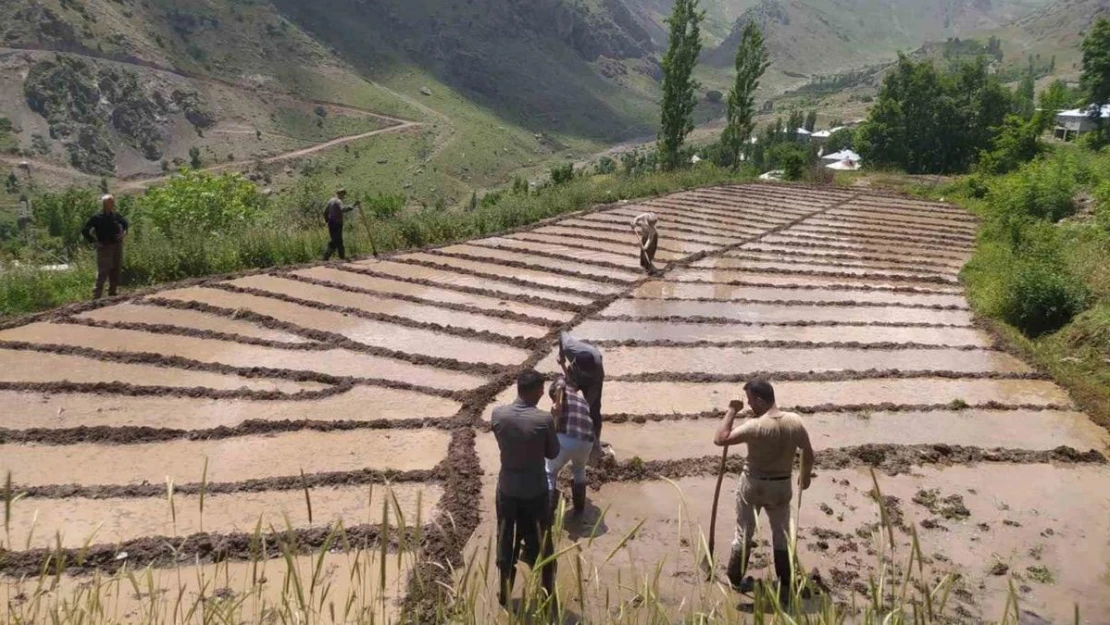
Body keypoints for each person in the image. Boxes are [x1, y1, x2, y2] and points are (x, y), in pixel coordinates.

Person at [713, 378, 814, 606]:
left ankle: (735, 579)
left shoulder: (756, 425)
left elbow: (720, 439)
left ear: (760, 400)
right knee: (782, 535)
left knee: (744, 533)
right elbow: (808, 452)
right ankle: (785, 584)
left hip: (754, 484)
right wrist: (805, 476)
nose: (748, 405)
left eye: (749, 401)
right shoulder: (795, 422)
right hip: (781, 485)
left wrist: (731, 410)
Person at [491, 369, 560, 609]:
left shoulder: (498, 414)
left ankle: (504, 593)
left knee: (505, 540)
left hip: (507, 490)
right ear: (536, 391)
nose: (543, 393)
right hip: (535, 492)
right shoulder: (544, 420)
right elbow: (553, 453)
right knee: (542, 542)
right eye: (541, 390)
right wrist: (555, 420)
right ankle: (547, 594)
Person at [545, 375, 594, 515]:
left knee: (550, 472)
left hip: (567, 438)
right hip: (587, 441)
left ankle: (547, 512)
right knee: (579, 469)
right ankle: (579, 509)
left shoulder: (562, 391)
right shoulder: (582, 400)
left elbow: (560, 382)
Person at [556, 331, 604, 445]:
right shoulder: (569, 347)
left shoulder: (597, 369)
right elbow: (562, 334)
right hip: (574, 374)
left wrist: (583, 409)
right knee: (560, 397)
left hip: (592, 382)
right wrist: (561, 355)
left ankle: (594, 441)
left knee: (594, 411)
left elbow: (593, 395)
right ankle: (559, 431)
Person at [81, 194, 129, 299]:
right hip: (104, 247)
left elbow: (125, 225)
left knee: (116, 268)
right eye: (110, 202)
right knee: (103, 271)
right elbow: (85, 231)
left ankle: (113, 292)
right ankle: (97, 295)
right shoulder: (97, 218)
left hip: (117, 245)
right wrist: (94, 242)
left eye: (113, 202)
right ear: (104, 204)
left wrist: (123, 234)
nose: (112, 204)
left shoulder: (116, 216)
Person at [323, 188, 358, 261]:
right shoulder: (339, 201)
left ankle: (342, 257)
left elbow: (325, 212)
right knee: (335, 240)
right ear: (341, 194)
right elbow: (343, 209)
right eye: (343, 195)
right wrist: (353, 205)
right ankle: (326, 256)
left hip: (331, 223)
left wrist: (327, 220)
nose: (344, 197)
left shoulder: (331, 200)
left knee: (339, 241)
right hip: (337, 223)